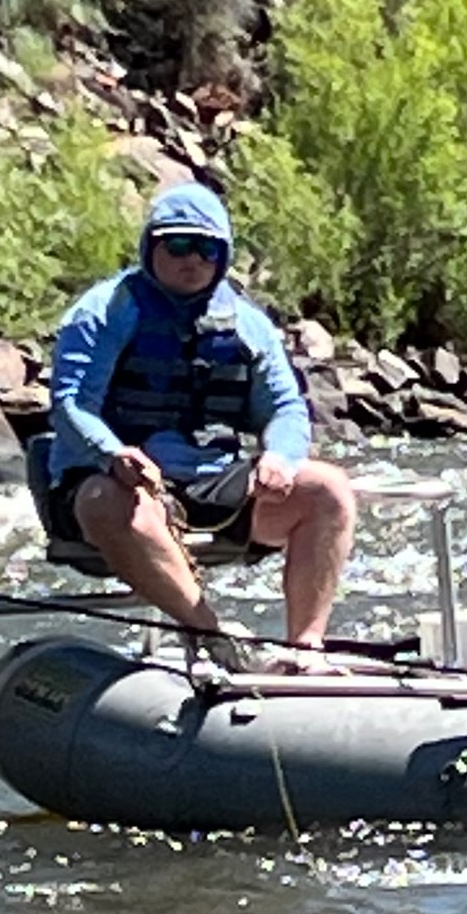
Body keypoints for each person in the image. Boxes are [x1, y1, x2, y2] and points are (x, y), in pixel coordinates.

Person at [46, 182, 358, 656]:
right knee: (107, 501)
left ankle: (305, 649)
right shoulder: (103, 312)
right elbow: (71, 404)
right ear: (152, 248)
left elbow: (286, 407)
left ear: (223, 255)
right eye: (177, 244)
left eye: (207, 248)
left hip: (213, 478)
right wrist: (111, 454)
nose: (192, 259)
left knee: (328, 489)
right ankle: (210, 632)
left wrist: (280, 456)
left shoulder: (248, 326)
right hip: (117, 479)